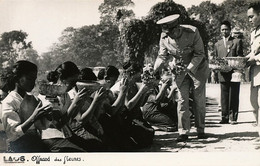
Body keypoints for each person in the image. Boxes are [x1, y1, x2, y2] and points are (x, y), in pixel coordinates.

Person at [154, 14, 210, 142]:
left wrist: (189, 68)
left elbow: (199, 53)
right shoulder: (164, 37)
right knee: (181, 100)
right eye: (166, 33)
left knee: (198, 99)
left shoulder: (192, 31)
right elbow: (162, 56)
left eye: (171, 33)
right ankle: (183, 132)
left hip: (197, 68)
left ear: (177, 28)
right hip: (179, 70)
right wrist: (154, 69)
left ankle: (200, 130)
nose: (169, 36)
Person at [1, 60, 51, 152]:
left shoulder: (34, 99)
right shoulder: (9, 102)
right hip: (20, 148)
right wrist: (34, 117)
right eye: (29, 79)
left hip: (36, 144)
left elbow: (42, 127)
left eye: (34, 79)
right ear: (17, 79)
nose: (33, 83)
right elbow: (12, 134)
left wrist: (47, 116)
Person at [214, 20, 244, 124]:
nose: (224, 31)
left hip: (234, 72)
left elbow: (240, 55)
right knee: (224, 95)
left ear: (230, 30)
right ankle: (224, 117)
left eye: (226, 29)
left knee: (234, 95)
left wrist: (235, 64)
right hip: (222, 72)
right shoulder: (217, 44)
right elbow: (216, 58)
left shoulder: (236, 41)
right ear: (220, 31)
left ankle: (233, 118)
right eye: (222, 29)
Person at [246, 2, 260, 131]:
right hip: (255, 73)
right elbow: (254, 51)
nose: (250, 20)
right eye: (248, 17)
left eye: (252, 16)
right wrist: (244, 60)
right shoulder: (253, 32)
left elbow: (256, 56)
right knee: (254, 103)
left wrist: (254, 59)